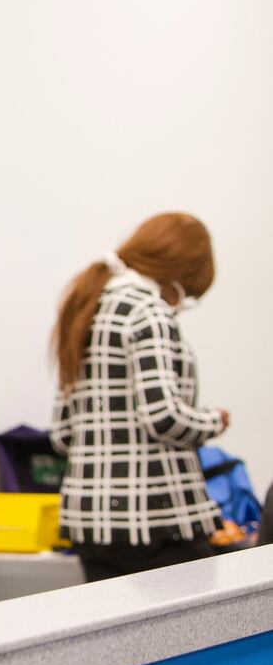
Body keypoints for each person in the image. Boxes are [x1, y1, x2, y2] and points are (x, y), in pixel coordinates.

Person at [49, 214, 231, 582]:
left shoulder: (87, 306)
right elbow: (163, 416)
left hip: (90, 523)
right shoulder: (148, 311)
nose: (183, 303)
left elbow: (64, 433)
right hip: (158, 519)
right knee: (194, 634)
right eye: (190, 294)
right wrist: (215, 420)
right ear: (178, 274)